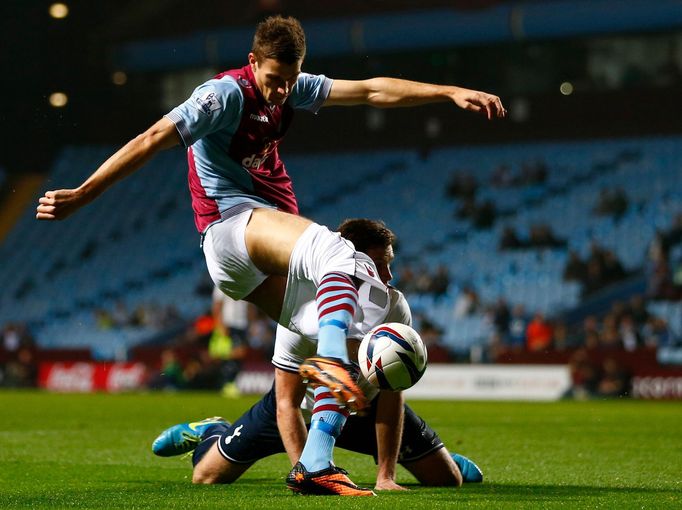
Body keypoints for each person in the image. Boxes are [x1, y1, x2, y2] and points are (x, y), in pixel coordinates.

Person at [36, 15, 504, 494]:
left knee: (319, 320)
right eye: (273, 80)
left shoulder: (292, 87)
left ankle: (315, 463)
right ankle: (327, 367)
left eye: (290, 81)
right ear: (252, 62)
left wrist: (447, 91)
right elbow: (153, 137)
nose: (282, 92)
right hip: (230, 227)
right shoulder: (223, 96)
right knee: (336, 252)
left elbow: (369, 91)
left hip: (258, 252)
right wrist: (85, 193)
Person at [151, 219, 483, 495]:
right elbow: (286, 404)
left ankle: (438, 459)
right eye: (381, 265)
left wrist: (386, 475)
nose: (389, 276)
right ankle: (212, 430)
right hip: (296, 410)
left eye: (390, 264)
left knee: (447, 479)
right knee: (206, 475)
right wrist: (306, 470)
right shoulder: (303, 315)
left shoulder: (394, 306)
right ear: (357, 264)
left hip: (359, 408)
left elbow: (391, 392)